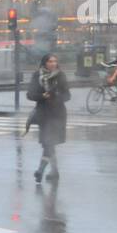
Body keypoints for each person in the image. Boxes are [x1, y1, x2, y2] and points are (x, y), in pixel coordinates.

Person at [25, 53, 70, 183]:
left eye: (55, 61)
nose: (53, 64)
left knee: (49, 142)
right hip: (43, 114)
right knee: (48, 143)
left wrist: (56, 96)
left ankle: (40, 170)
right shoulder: (37, 75)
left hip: (57, 114)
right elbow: (30, 94)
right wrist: (42, 96)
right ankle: (54, 172)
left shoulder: (60, 76)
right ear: (45, 63)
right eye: (50, 61)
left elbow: (67, 95)